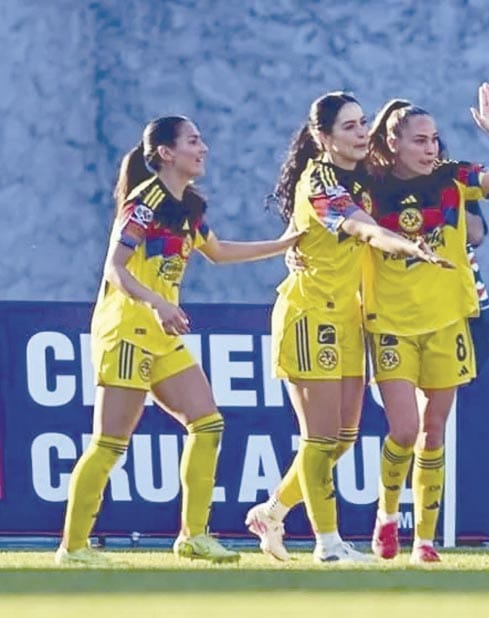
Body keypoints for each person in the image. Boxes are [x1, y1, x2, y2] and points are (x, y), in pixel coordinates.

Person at [55, 115, 303, 567]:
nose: (203, 148)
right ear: (166, 153)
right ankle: (72, 548)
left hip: (160, 335)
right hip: (127, 331)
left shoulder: (188, 207)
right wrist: (157, 303)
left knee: (208, 423)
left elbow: (218, 252)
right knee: (110, 443)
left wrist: (284, 244)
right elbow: (114, 267)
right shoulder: (144, 202)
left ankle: (194, 536)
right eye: (193, 141)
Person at [244, 92, 450, 564]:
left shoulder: (364, 175)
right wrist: (407, 246)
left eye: (363, 123)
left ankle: (272, 513)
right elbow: (363, 228)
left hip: (349, 317)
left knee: (342, 437)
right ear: (323, 137)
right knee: (319, 439)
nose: (361, 133)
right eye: (350, 127)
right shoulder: (320, 180)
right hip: (310, 315)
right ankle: (328, 545)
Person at [365, 83, 489, 563]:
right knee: (404, 430)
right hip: (391, 322)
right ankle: (386, 515)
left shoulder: (453, 178)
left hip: (447, 322)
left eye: (434, 139)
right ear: (393, 142)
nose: (430, 148)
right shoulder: (370, 187)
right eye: (420, 140)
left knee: (433, 431)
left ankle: (424, 540)